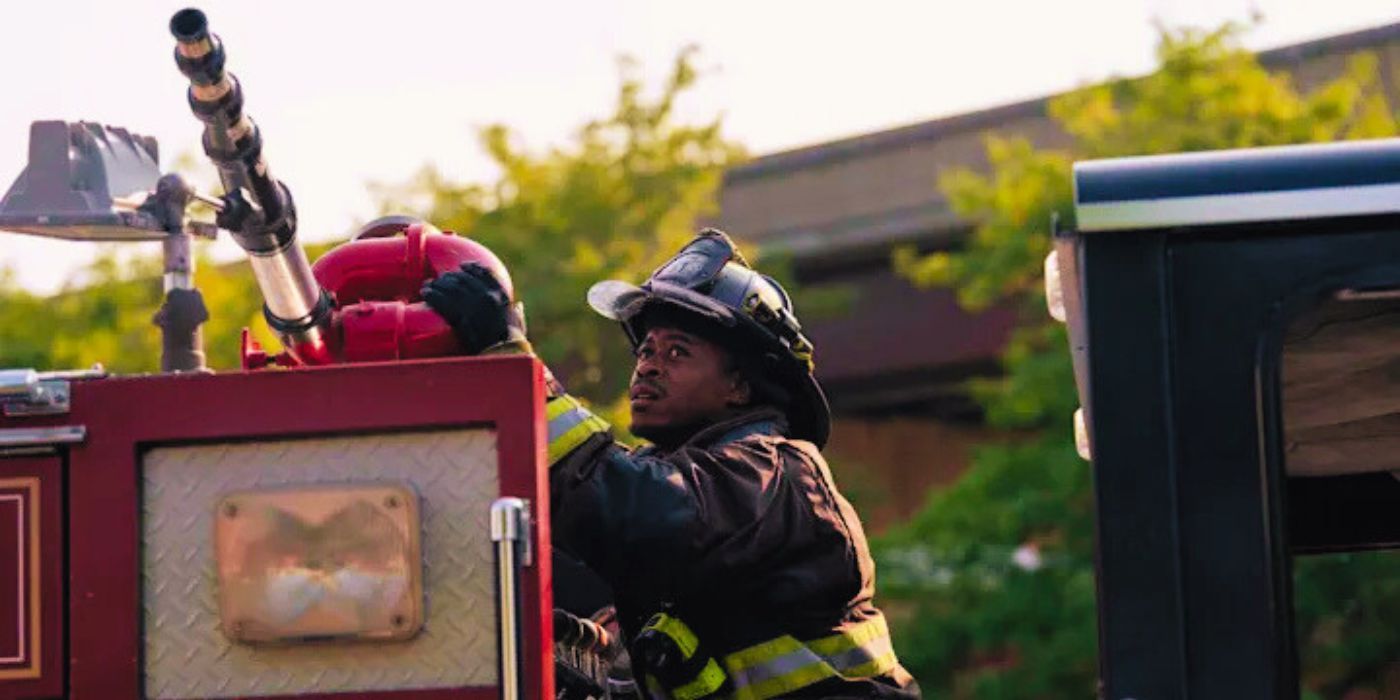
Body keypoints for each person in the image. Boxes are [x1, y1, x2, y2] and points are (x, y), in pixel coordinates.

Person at [423, 229, 919, 699]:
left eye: (678, 352)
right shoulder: (694, 490)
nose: (649, 365)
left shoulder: (776, 473)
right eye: (646, 350)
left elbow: (636, 515)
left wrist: (513, 368)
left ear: (740, 387)